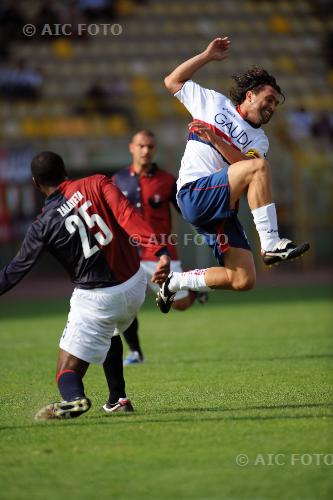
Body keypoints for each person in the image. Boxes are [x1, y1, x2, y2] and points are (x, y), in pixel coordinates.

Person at [0, 151, 170, 419]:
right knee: (111, 331)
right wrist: (160, 251)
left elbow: (15, 270)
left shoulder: (43, 225)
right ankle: (117, 398)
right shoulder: (96, 182)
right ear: (65, 171)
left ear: (35, 183)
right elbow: (127, 216)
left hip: (97, 300)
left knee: (65, 371)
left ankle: (74, 398)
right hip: (135, 285)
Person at [157, 36, 310, 313]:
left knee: (243, 279)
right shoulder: (213, 103)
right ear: (250, 95)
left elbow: (244, 166)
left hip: (221, 209)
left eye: (276, 103)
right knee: (259, 167)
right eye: (269, 99)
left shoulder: (260, 140)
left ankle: (175, 282)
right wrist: (206, 55)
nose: (273, 106)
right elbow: (172, 81)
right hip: (194, 193)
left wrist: (216, 140)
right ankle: (271, 243)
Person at [112, 129, 206, 364]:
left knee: (180, 304)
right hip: (128, 254)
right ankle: (135, 352)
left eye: (150, 147)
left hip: (161, 254)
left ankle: (194, 291)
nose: (146, 150)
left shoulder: (166, 181)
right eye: (141, 146)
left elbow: (187, 211)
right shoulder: (117, 181)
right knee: (121, 305)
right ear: (131, 147)